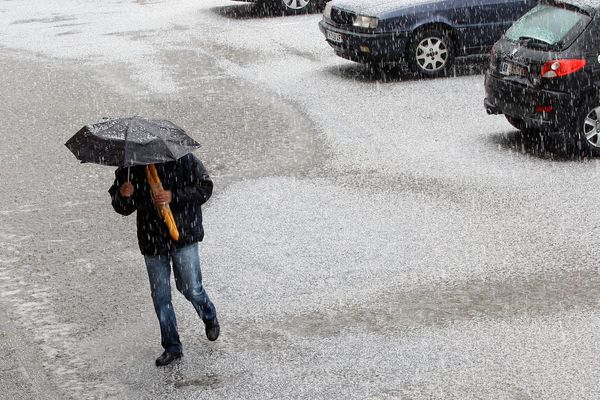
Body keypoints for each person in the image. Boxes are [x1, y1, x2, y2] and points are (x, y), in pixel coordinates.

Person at [108, 153, 219, 366]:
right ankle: (172, 346)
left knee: (190, 288)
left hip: (183, 235)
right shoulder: (130, 168)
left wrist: (172, 196)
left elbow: (205, 188)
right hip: (152, 242)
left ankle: (209, 315)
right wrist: (124, 195)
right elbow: (122, 208)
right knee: (161, 297)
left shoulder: (183, 159)